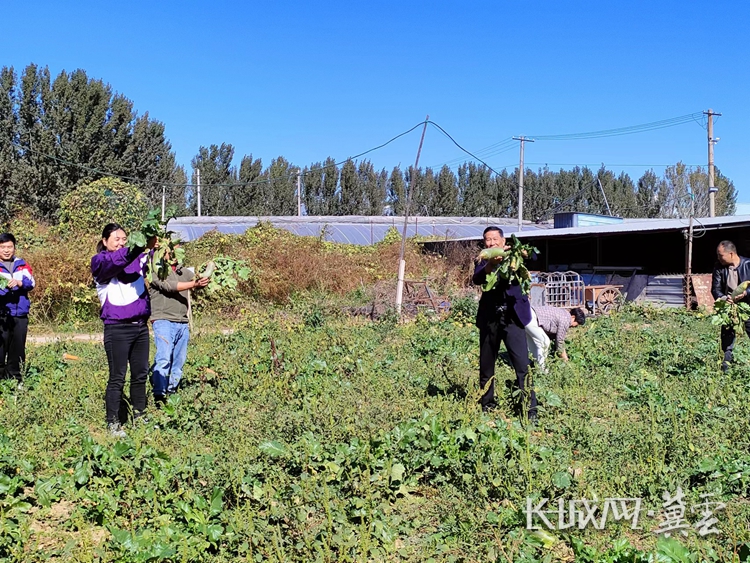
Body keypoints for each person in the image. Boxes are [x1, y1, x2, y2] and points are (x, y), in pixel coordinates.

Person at [91, 223, 155, 438]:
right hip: (117, 329)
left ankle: (140, 414)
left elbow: (153, 262)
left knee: (140, 374)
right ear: (104, 241)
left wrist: (158, 245)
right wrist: (138, 247)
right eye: (116, 239)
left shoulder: (135, 258)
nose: (121, 242)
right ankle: (113, 423)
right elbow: (118, 261)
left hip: (140, 327)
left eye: (124, 239)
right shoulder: (100, 262)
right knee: (117, 376)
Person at [473, 226, 537, 422]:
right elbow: (477, 278)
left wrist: (523, 254)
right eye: (487, 240)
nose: (491, 243)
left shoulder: (514, 255)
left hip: (512, 318)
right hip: (490, 319)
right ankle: (487, 405)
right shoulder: (484, 259)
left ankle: (529, 409)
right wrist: (490, 265)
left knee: (522, 365)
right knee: (486, 365)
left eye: (494, 239)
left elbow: (535, 258)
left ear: (503, 241)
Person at [148, 246, 209, 406]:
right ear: (163, 253)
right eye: (171, 251)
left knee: (178, 361)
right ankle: (159, 396)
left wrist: (203, 280)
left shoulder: (184, 272)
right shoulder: (155, 269)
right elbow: (170, 286)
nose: (175, 254)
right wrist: (194, 284)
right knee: (164, 357)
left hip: (182, 321)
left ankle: (171, 391)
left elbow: (197, 282)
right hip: (163, 320)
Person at [0, 233, 35, 386]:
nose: (6, 250)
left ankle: (16, 381)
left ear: (14, 248)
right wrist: (5, 288)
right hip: (2, 315)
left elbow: (31, 282)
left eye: (9, 247)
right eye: (2, 247)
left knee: (18, 348)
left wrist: (20, 283)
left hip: (20, 313)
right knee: (1, 348)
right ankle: (2, 381)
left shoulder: (22, 264)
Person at [711, 240, 750, 372]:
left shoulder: (748, 265)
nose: (718, 258)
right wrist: (723, 298)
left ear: (731, 254)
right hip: (729, 308)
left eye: (720, 255)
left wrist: (746, 293)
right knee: (727, 339)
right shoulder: (719, 268)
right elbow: (715, 289)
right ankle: (726, 368)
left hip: (747, 307)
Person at [525, 306, 586, 371]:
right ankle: (542, 371)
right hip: (532, 317)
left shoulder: (563, 313)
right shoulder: (566, 319)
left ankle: (532, 366)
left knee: (534, 346)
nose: (573, 327)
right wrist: (566, 360)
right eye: (575, 325)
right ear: (573, 317)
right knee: (544, 342)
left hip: (527, 313)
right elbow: (559, 342)